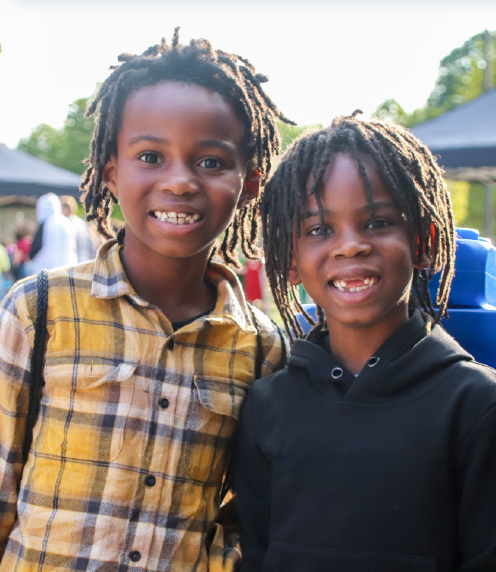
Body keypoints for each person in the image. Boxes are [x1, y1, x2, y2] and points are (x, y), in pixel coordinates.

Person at [0, 31, 290, 572]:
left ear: (249, 184)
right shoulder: (39, 312)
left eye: (210, 162)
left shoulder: (262, 349)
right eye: (151, 156)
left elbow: (245, 513)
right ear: (111, 173)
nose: (179, 181)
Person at [234, 113, 496, 572]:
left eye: (377, 222)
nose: (350, 246)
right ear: (287, 259)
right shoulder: (265, 406)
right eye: (319, 230)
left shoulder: (477, 405)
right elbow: (255, 555)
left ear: (424, 241)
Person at [30, 192, 78, 273]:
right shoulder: (67, 222)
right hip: (68, 265)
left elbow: (37, 246)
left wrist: (31, 256)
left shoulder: (45, 223)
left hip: (48, 268)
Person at [60, 195, 98, 262]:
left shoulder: (64, 223)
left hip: (72, 262)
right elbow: (93, 243)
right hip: (85, 259)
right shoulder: (81, 223)